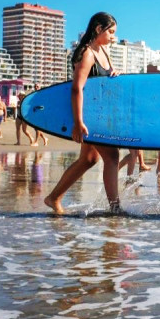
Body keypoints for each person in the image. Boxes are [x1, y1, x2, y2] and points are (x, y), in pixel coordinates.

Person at [44, 12, 121, 215]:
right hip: (87, 116)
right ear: (98, 29)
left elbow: (103, 81)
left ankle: (53, 198)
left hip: (99, 114)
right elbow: (77, 88)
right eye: (110, 31)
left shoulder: (103, 51)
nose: (113, 36)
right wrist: (78, 122)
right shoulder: (87, 53)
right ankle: (115, 208)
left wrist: (114, 73)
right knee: (112, 157)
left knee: (89, 159)